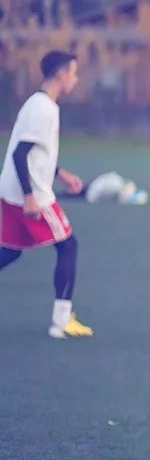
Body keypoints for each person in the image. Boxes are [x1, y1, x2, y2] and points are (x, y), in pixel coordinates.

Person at [0, 51, 92, 339]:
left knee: (10, 251)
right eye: (74, 73)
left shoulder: (40, 104)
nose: (76, 79)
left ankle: (61, 320)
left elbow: (35, 152)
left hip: (12, 192)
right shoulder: (43, 109)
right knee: (68, 246)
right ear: (61, 74)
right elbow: (20, 154)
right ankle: (61, 322)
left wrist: (61, 172)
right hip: (31, 195)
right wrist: (30, 197)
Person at [62, 171, 149, 205]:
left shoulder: (117, 180)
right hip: (90, 191)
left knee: (66, 195)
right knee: (65, 196)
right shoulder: (117, 182)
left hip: (90, 189)